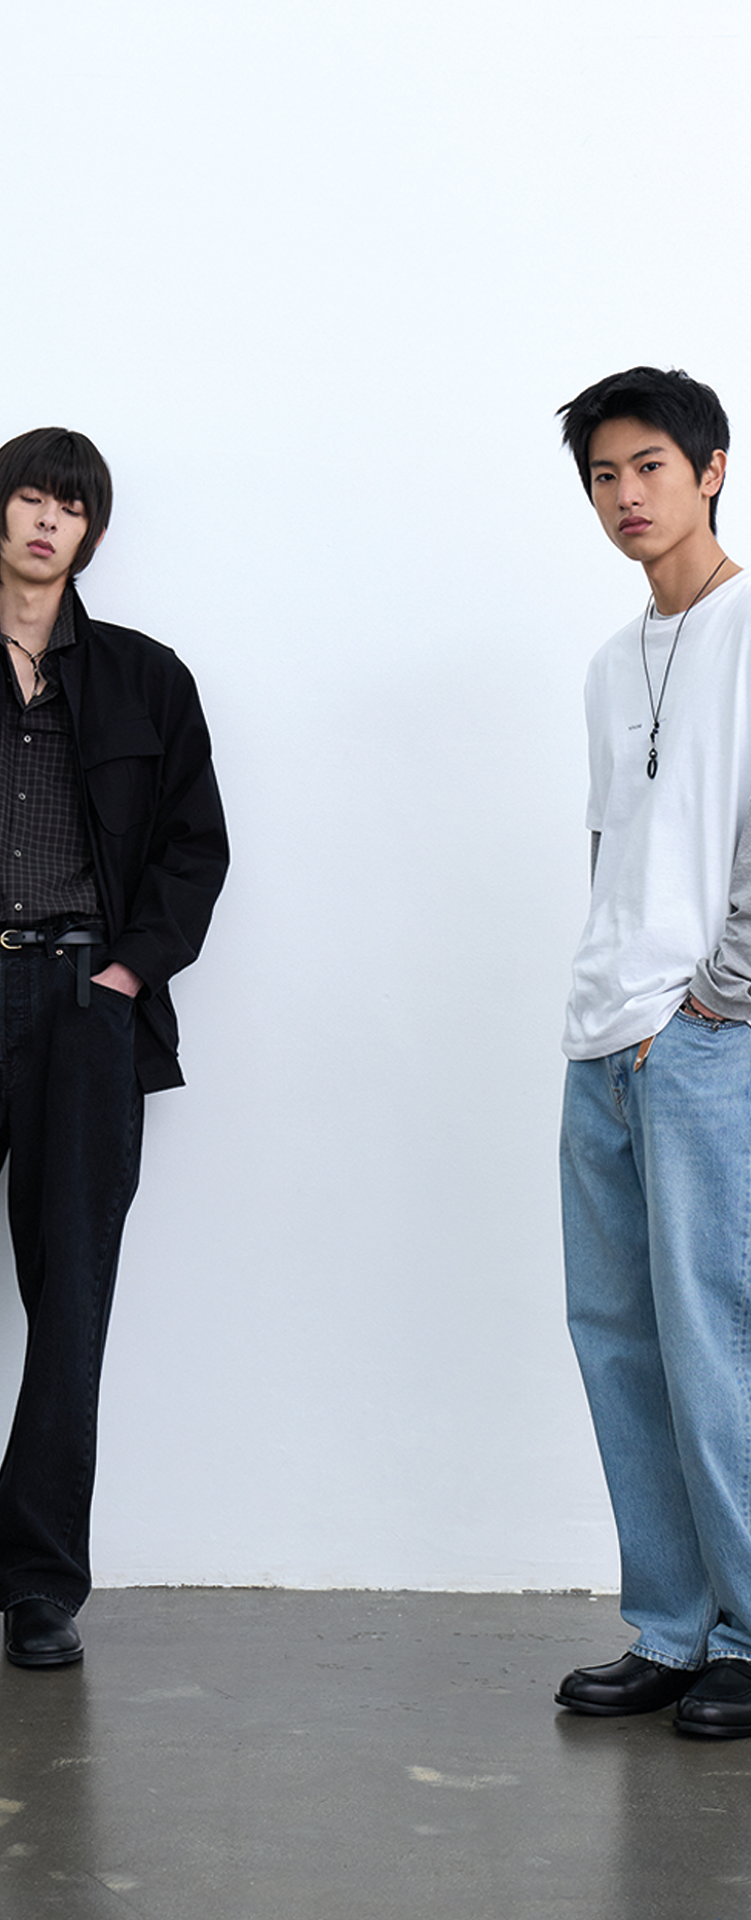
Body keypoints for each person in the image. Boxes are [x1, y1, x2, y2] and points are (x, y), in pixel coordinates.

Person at [0, 428, 228, 1667]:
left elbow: (196, 848)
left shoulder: (147, 681)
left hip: (84, 1006)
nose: (48, 521)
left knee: (70, 1295)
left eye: (72, 506)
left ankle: (38, 1587)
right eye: (31, 498)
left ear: (91, 534)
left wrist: (124, 978)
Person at [553, 365, 751, 1738]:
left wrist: (717, 999)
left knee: (719, 1344)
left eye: (650, 467)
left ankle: (748, 1630)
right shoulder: (609, 664)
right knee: (619, 1341)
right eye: (603, 476)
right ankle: (674, 1627)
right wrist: (609, 1002)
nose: (626, 495)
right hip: (600, 1038)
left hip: (706, 1044)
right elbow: (611, 849)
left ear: (711, 469)